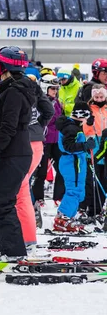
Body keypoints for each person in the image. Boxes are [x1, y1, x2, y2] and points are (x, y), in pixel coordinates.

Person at [0, 46, 36, 260]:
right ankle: (11, 249)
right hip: (16, 151)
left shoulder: (14, 92)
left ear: (3, 66)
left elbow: (8, 127)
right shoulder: (14, 88)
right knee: (2, 203)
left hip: (13, 153)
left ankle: (14, 252)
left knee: (2, 204)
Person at [16, 72, 55, 249]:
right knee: (22, 189)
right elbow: (49, 110)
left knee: (19, 191)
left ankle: (25, 237)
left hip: (22, 143)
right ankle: (27, 235)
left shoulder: (12, 90)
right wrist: (40, 126)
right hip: (36, 143)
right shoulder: (35, 90)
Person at [54, 102, 95, 232]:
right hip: (72, 163)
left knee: (78, 191)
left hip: (76, 162)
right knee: (74, 191)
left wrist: (85, 148)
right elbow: (68, 147)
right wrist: (85, 146)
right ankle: (63, 219)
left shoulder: (74, 126)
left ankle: (67, 217)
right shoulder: (71, 128)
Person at [32, 74, 65, 205]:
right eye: (53, 88)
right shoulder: (40, 101)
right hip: (44, 140)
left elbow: (59, 118)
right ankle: (38, 197)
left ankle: (58, 196)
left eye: (56, 89)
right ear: (45, 88)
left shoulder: (57, 102)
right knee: (41, 171)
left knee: (61, 168)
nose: (55, 91)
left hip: (56, 140)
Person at [81, 84, 107, 217]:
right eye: (96, 96)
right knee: (93, 180)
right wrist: (89, 125)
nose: (99, 99)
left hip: (105, 146)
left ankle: (101, 206)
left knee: (104, 180)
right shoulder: (89, 109)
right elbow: (85, 128)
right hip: (95, 147)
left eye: (101, 96)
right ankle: (92, 208)